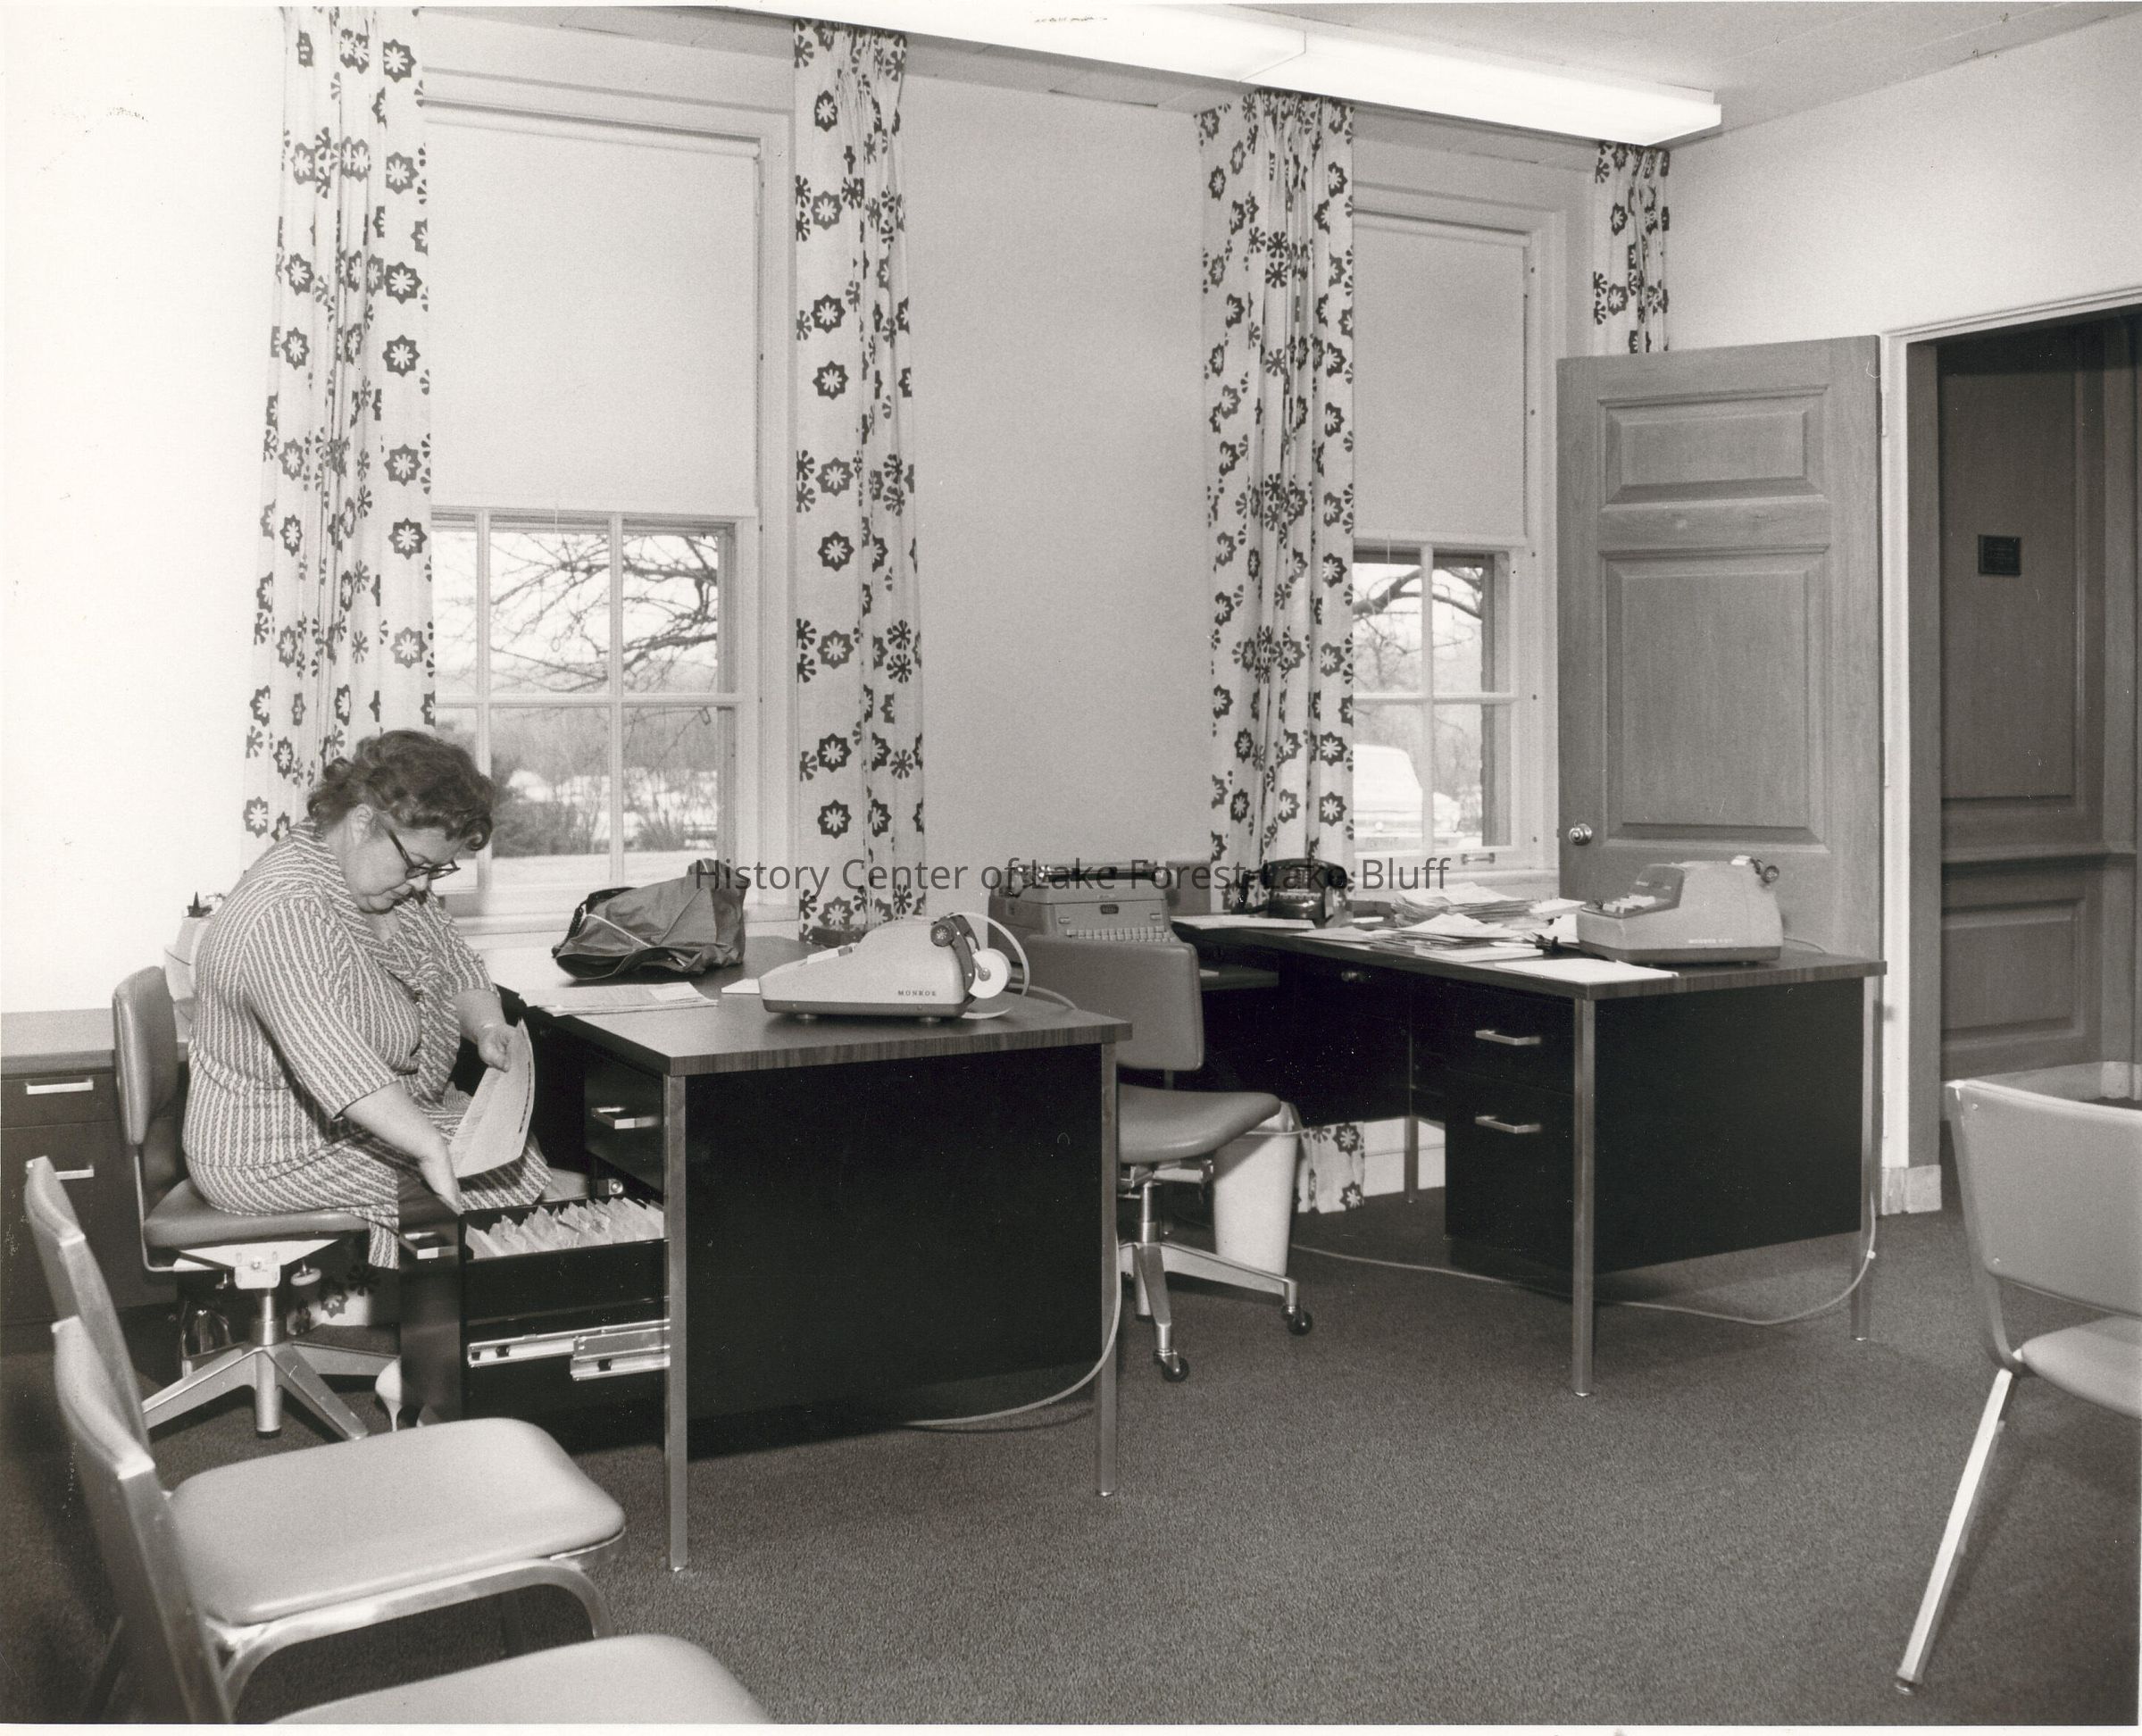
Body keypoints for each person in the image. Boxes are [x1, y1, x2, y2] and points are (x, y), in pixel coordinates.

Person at [185, 730, 548, 1265]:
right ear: (362, 823)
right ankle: (419, 1307)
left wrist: (489, 1027)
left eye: (435, 870)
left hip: (351, 1123)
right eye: (417, 865)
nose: (422, 885)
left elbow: (457, 966)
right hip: (273, 1150)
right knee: (503, 1177)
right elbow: (337, 1062)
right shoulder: (282, 911)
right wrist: (430, 1147)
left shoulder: (384, 886)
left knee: (510, 1156)